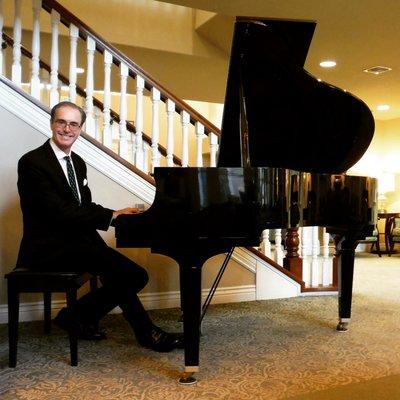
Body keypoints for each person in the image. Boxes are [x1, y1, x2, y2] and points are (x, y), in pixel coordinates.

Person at [16, 101, 182, 352]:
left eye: (74, 124)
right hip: (46, 249)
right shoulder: (32, 162)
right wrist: (111, 217)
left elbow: (84, 204)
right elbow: (58, 212)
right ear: (52, 124)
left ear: (80, 129)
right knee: (133, 275)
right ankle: (145, 333)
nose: (67, 128)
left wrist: (116, 213)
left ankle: (75, 316)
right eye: (61, 122)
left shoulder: (78, 163)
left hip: (76, 243)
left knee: (126, 273)